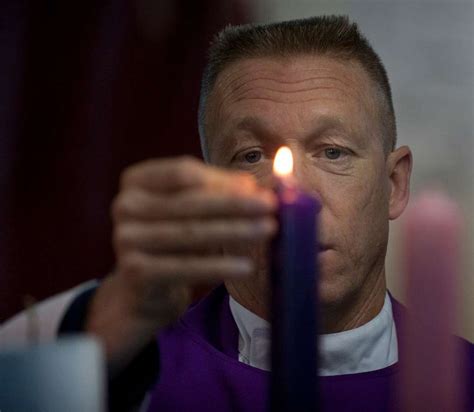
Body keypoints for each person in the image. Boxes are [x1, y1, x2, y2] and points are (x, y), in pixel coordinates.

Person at [1, 15, 473, 411]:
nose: (297, 193)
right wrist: (105, 318)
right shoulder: (126, 373)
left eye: (332, 152)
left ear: (395, 185)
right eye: (251, 156)